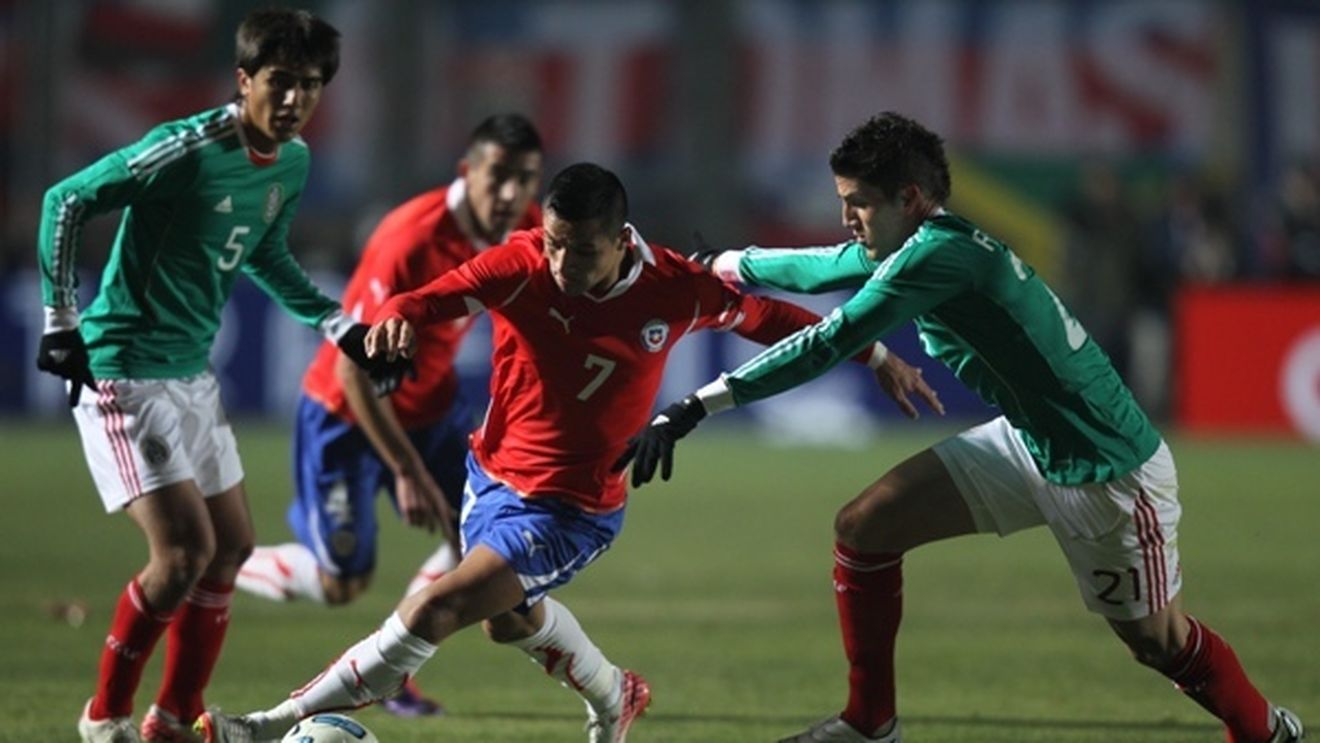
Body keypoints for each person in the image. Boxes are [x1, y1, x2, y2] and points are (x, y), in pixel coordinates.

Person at [619, 112, 1305, 743]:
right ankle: (869, 722)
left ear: (911, 198)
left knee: (1159, 642)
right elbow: (823, 264)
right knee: (865, 526)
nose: (847, 216)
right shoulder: (919, 240)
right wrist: (725, 263)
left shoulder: (936, 257)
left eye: (859, 202)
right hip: (1031, 440)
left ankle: (1265, 731)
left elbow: (830, 339)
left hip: (1107, 469)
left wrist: (693, 406)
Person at [195, 162, 939, 743]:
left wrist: (871, 353)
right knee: (506, 620)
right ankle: (617, 692)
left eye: (580, 251)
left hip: (573, 508)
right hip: (488, 478)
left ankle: (261, 725)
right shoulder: (519, 263)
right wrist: (394, 319)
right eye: (553, 242)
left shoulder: (674, 286)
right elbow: (424, 298)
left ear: (622, 240)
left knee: (441, 603)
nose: (560, 263)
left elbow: (766, 316)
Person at [34, 9, 403, 742]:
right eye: (280, 82)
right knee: (181, 555)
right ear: (244, 80)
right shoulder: (184, 147)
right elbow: (65, 200)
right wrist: (59, 321)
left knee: (231, 546)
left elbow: (264, 253)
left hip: (191, 373)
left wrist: (341, 329)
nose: (296, 100)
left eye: (311, 85)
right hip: (125, 368)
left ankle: (172, 720)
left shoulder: (290, 161)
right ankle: (104, 717)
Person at [234, 113, 545, 717]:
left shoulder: (529, 229)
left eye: (525, 180)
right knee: (341, 581)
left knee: (482, 543)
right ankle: (228, 562)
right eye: (499, 177)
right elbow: (354, 369)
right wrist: (406, 469)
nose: (510, 195)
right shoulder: (410, 240)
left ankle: (393, 670)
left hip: (431, 409)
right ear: (468, 171)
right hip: (348, 416)